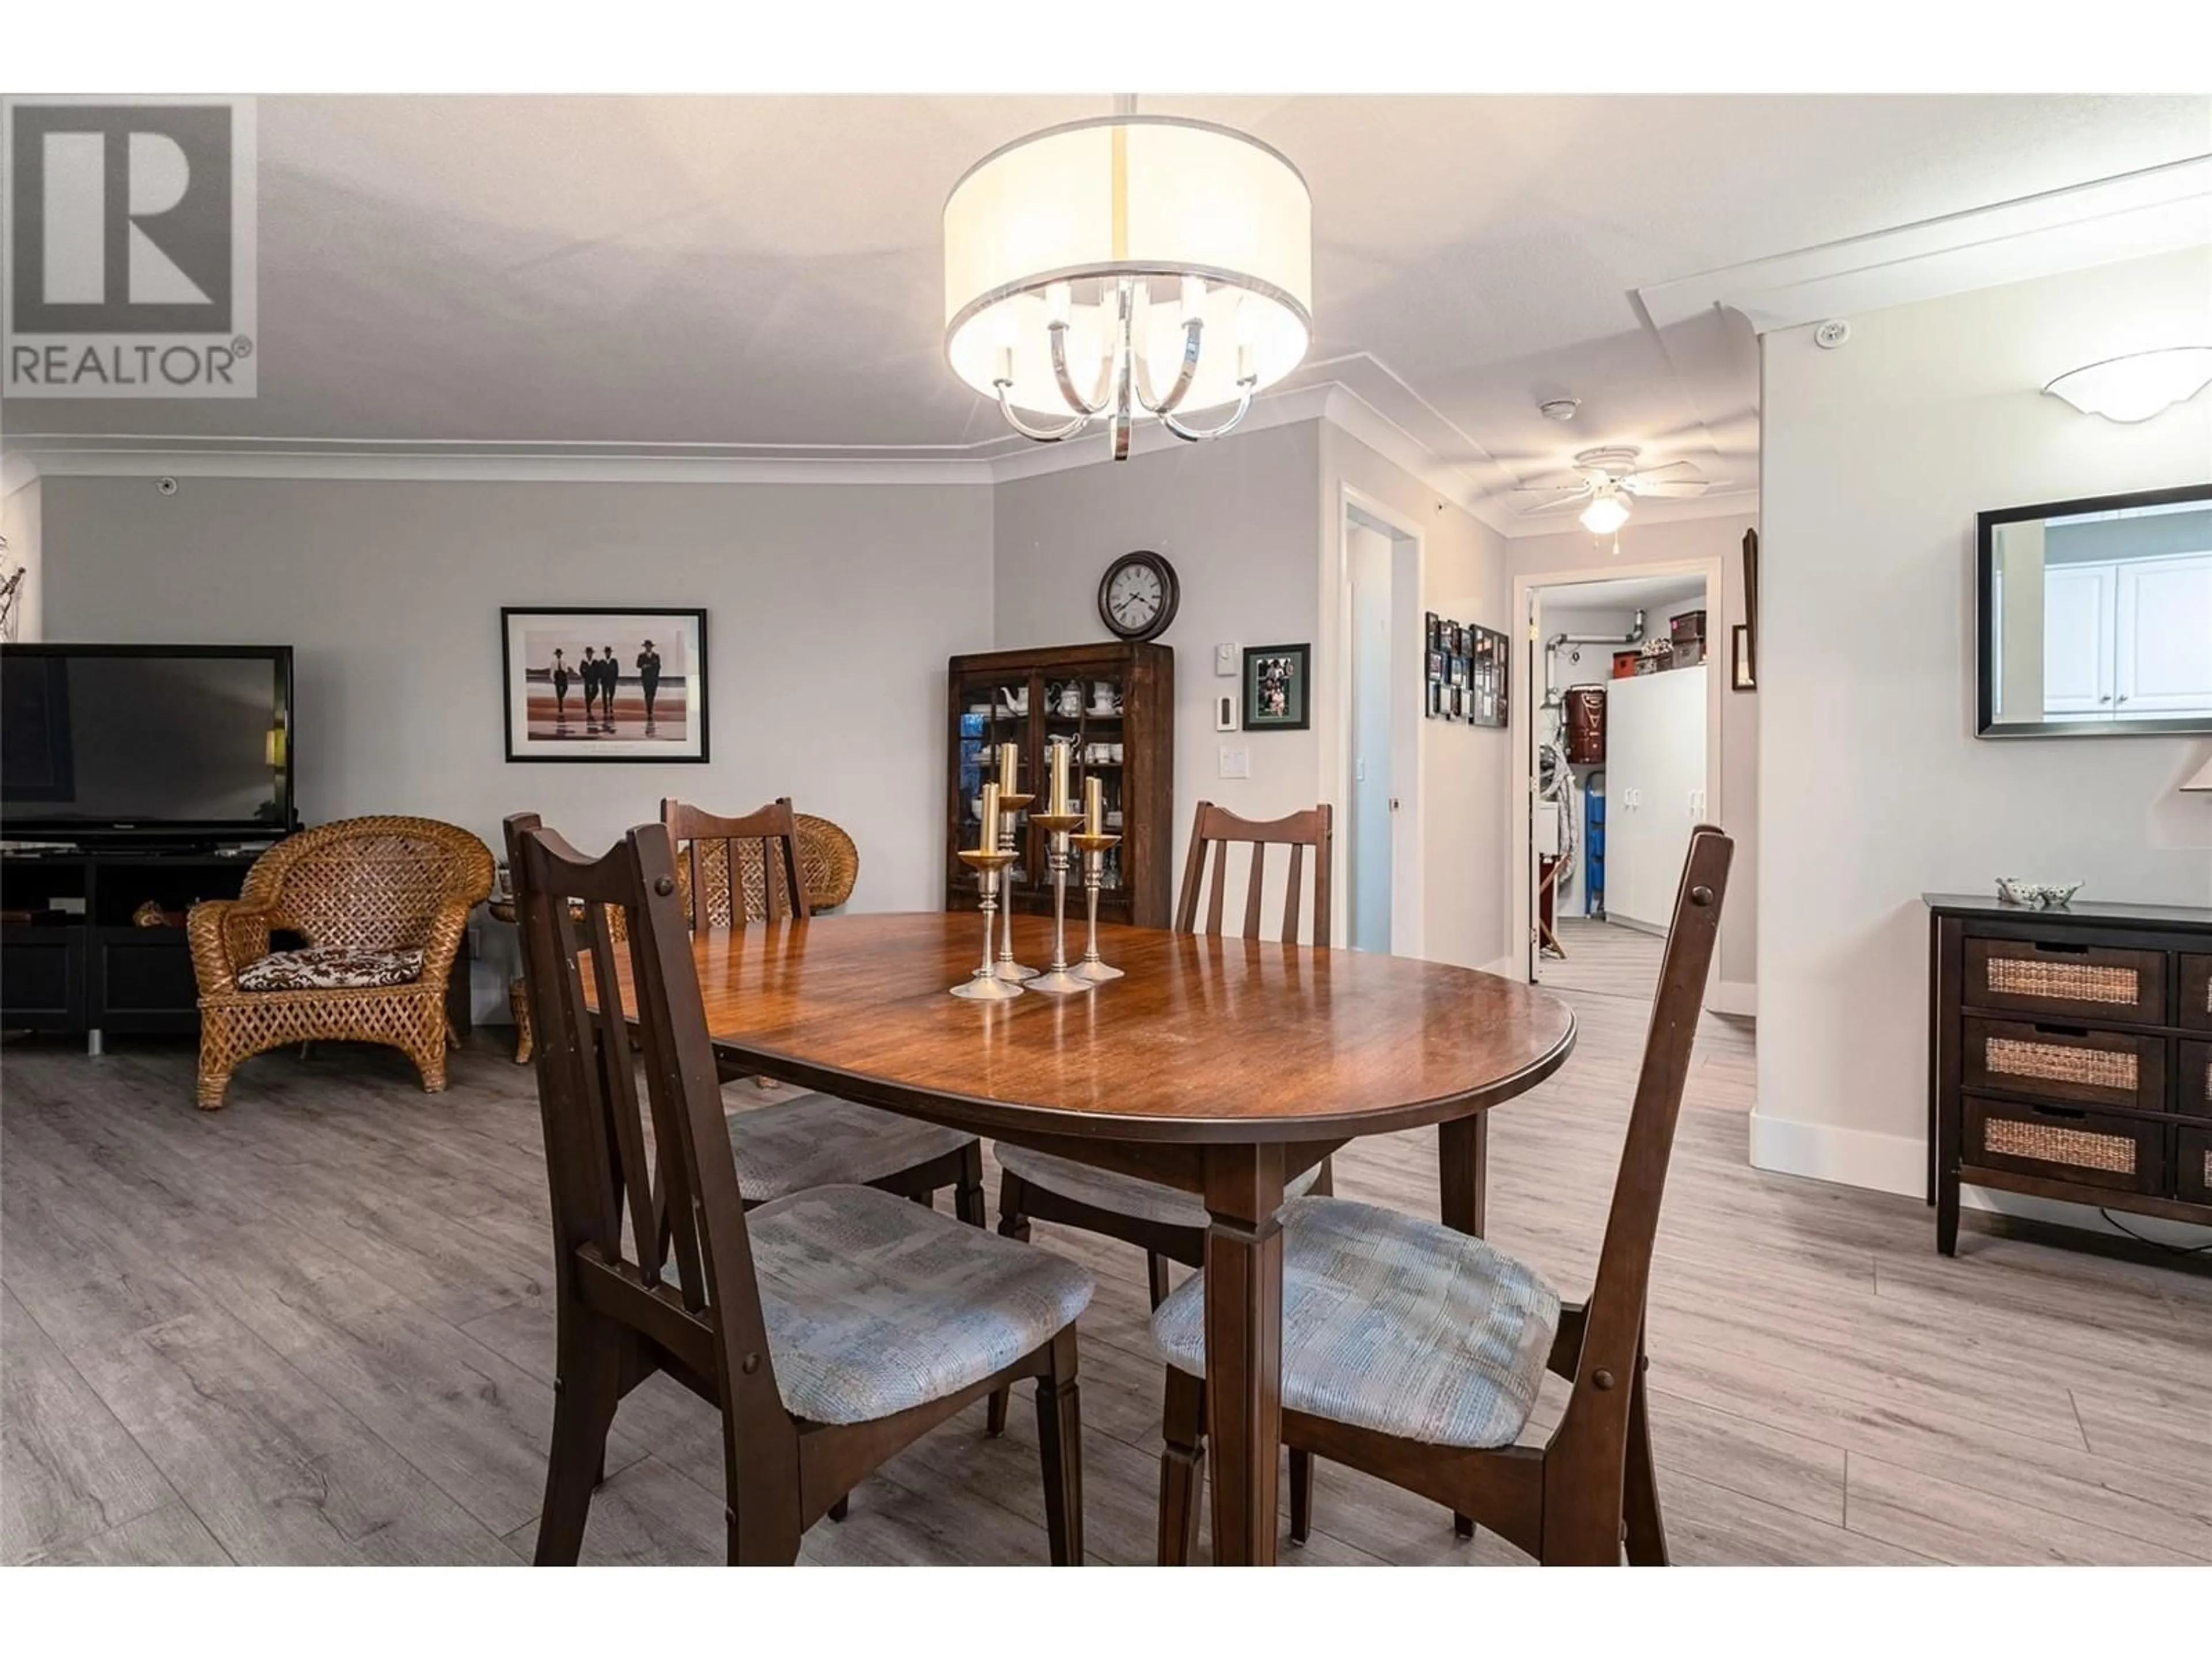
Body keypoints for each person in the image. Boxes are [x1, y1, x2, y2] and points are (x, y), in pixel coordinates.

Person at [635, 638, 662, 729]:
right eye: (647, 646)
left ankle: (650, 708)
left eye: (649, 646)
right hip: (645, 679)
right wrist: (644, 666)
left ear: (651, 647)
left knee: (653, 694)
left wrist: (653, 670)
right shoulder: (641, 656)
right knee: (647, 694)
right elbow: (638, 665)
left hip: (654, 679)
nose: (648, 648)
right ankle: (649, 710)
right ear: (645, 647)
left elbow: (659, 666)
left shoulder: (656, 656)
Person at [577, 648, 601, 731]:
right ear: (586, 654)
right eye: (588, 653)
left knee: (596, 692)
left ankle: (589, 704)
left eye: (590, 653)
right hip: (587, 681)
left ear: (592, 654)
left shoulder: (595, 662)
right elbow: (581, 670)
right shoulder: (584, 662)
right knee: (587, 695)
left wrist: (597, 678)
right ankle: (588, 710)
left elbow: (599, 671)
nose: (589, 655)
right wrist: (585, 675)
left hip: (594, 681)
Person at [549, 647, 572, 730]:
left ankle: (561, 700)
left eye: (560, 654)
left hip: (563, 677)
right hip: (557, 677)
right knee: (558, 693)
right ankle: (560, 708)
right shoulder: (553, 663)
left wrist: (566, 676)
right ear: (556, 655)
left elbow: (566, 671)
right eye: (558, 654)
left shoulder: (564, 662)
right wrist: (554, 680)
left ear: (561, 655)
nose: (559, 655)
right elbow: (551, 673)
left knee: (565, 688)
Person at [601, 645, 620, 731]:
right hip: (605, 681)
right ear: (605, 653)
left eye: (609, 652)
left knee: (612, 694)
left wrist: (615, 679)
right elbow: (599, 671)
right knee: (604, 695)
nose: (608, 653)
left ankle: (611, 704)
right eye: (607, 652)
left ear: (610, 653)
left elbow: (617, 671)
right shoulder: (602, 662)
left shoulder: (614, 661)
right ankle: (605, 707)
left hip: (612, 681)